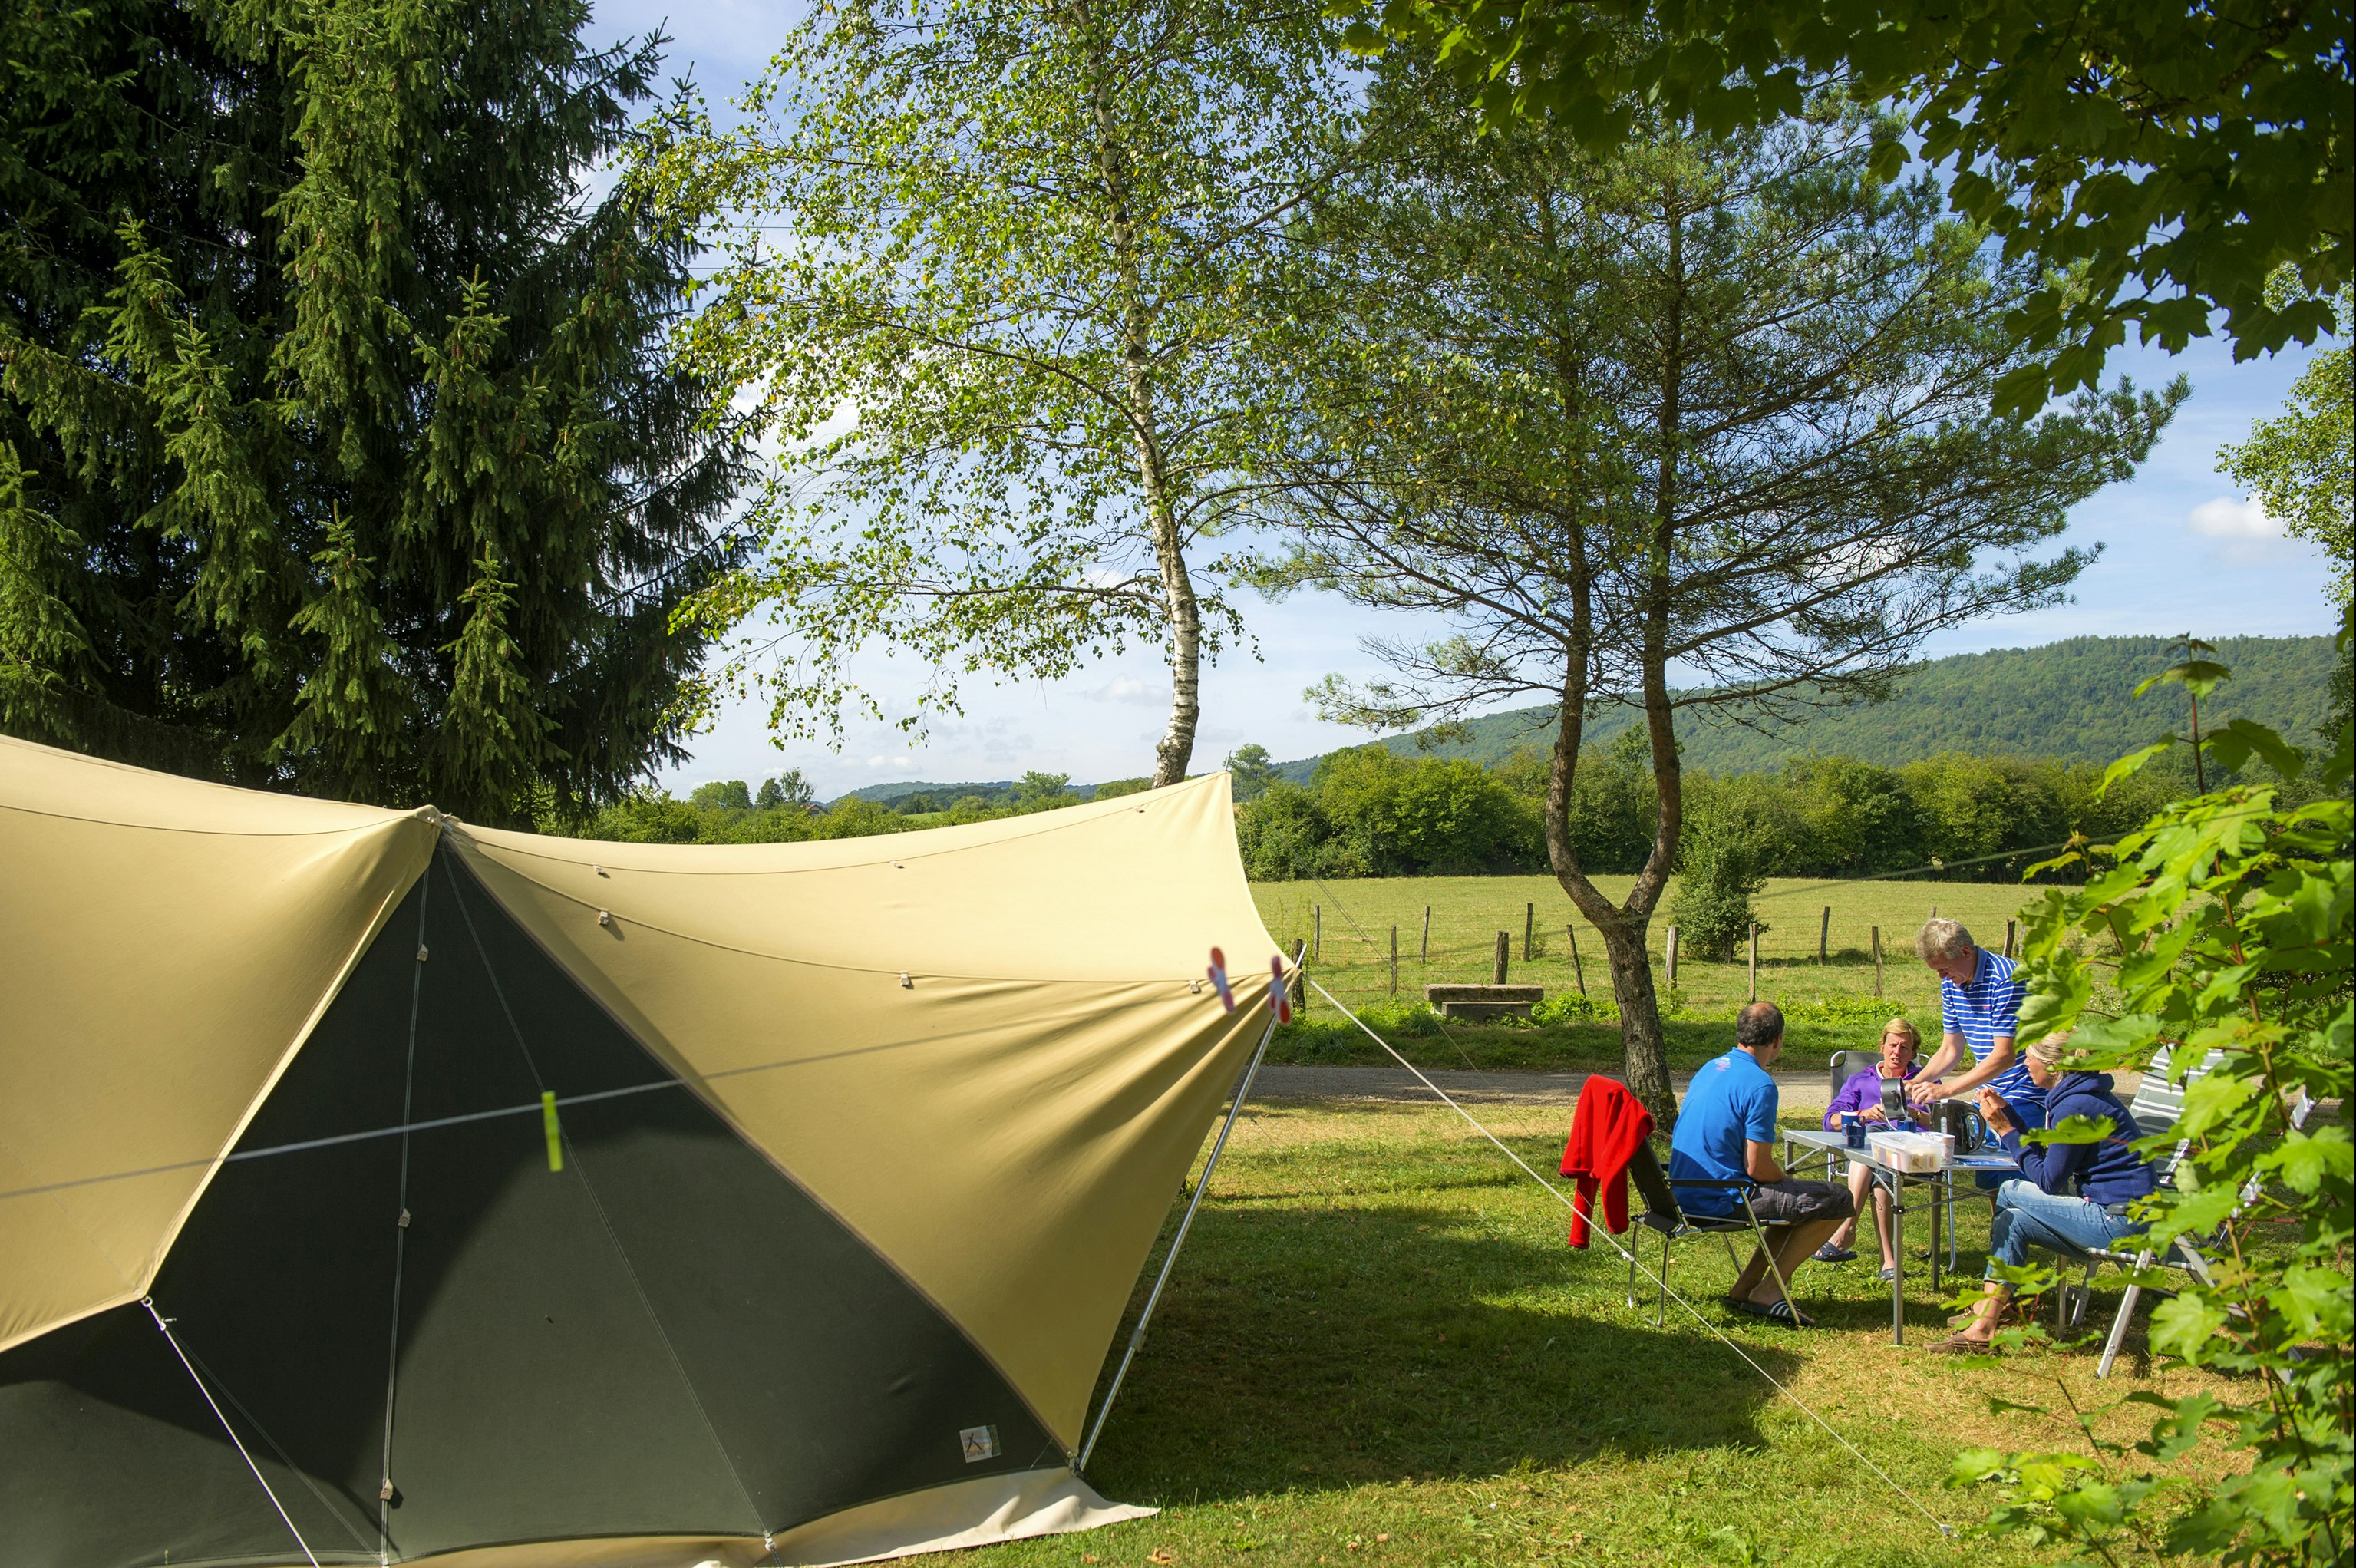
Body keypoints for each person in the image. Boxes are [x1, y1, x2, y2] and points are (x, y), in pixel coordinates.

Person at [1933, 1032, 2160, 1352]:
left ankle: (1989, 1308)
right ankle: (1986, 1325)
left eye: (2031, 1058)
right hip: (2111, 1216)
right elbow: (2051, 1160)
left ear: (2053, 1066)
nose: (2025, 1063)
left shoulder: (2077, 1107)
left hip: (2121, 1223)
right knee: (2011, 1220)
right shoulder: (2078, 1097)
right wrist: (2010, 1114)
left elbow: (2050, 1181)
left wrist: (2006, 1131)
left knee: (2009, 1189)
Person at [1669, 1001, 1856, 1326]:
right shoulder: (1760, 1084)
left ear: (1741, 1032)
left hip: (1681, 1192)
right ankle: (1770, 1290)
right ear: (1778, 1041)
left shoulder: (1711, 1066)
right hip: (1722, 1198)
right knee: (1839, 1198)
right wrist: (1783, 1177)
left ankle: (1745, 1288)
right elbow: (1758, 1168)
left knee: (1794, 1201)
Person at [1908, 918, 2041, 1185]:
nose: (1942, 978)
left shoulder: (2006, 980)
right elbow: (1950, 1050)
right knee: (1992, 1185)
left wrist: (1947, 1089)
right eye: (1936, 971)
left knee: (2019, 1186)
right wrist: (1914, 1083)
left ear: (1966, 952)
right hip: (1988, 1095)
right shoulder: (1952, 983)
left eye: (1944, 968)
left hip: (2025, 1095)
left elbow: (2006, 1055)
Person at [1814, 1017, 1922, 1276]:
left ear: (1913, 1053)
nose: (1897, 1052)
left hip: (1913, 1156)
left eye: (1904, 1048)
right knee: (1876, 1154)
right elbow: (1830, 1121)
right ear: (1882, 1046)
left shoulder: (1922, 1080)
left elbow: (1940, 1122)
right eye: (1892, 1045)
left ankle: (1847, 1230)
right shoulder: (1861, 1080)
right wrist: (1862, 1114)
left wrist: (1911, 1113)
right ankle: (1889, 1261)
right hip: (1872, 1158)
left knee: (1877, 1148)